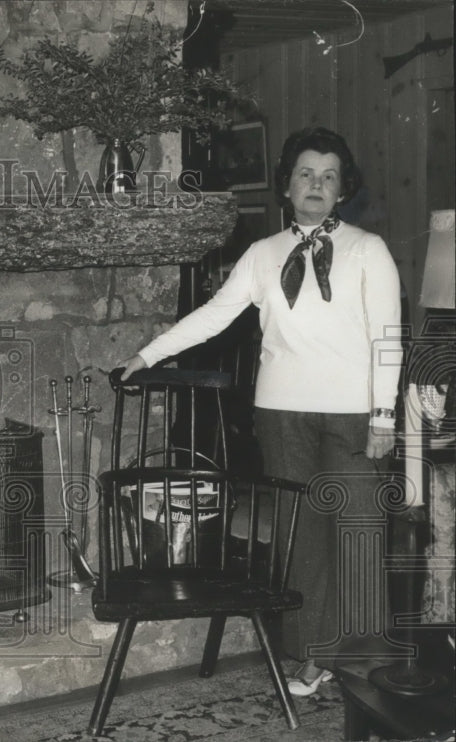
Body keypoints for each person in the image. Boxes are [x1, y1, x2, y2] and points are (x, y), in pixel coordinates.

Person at [117, 127, 402, 695]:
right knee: (304, 544)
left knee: (359, 532)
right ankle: (315, 655)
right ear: (286, 184)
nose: (316, 185)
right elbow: (213, 315)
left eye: (328, 177)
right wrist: (147, 354)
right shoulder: (262, 254)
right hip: (280, 416)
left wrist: (383, 417)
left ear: (342, 190)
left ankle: (366, 659)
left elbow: (387, 340)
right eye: (306, 174)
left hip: (353, 418)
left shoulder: (368, 249)